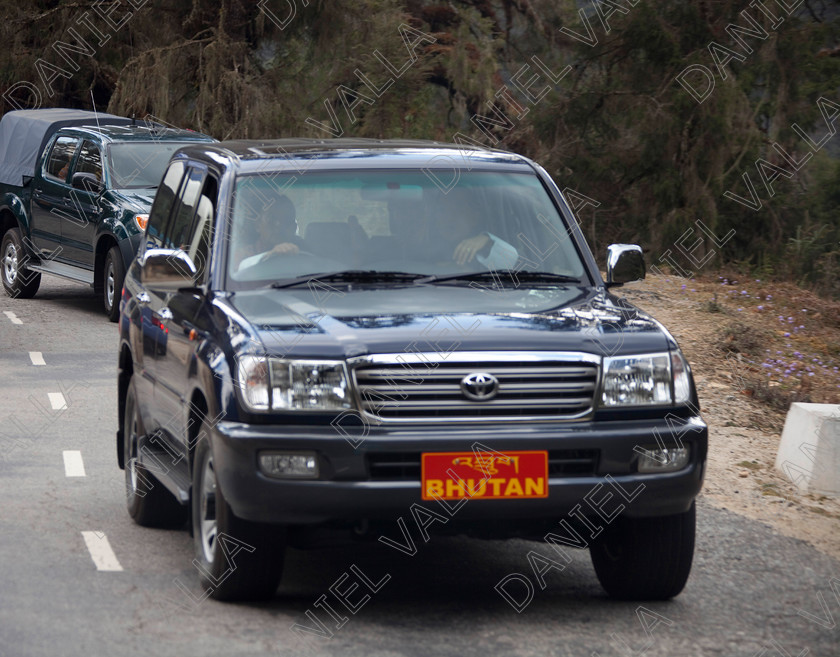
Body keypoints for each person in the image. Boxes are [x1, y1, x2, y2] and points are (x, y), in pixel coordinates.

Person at [234, 194, 307, 271]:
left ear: (294, 228)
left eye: (286, 219)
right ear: (257, 226)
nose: (278, 224)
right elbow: (238, 275)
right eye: (271, 219)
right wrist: (269, 256)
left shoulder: (304, 253)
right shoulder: (242, 255)